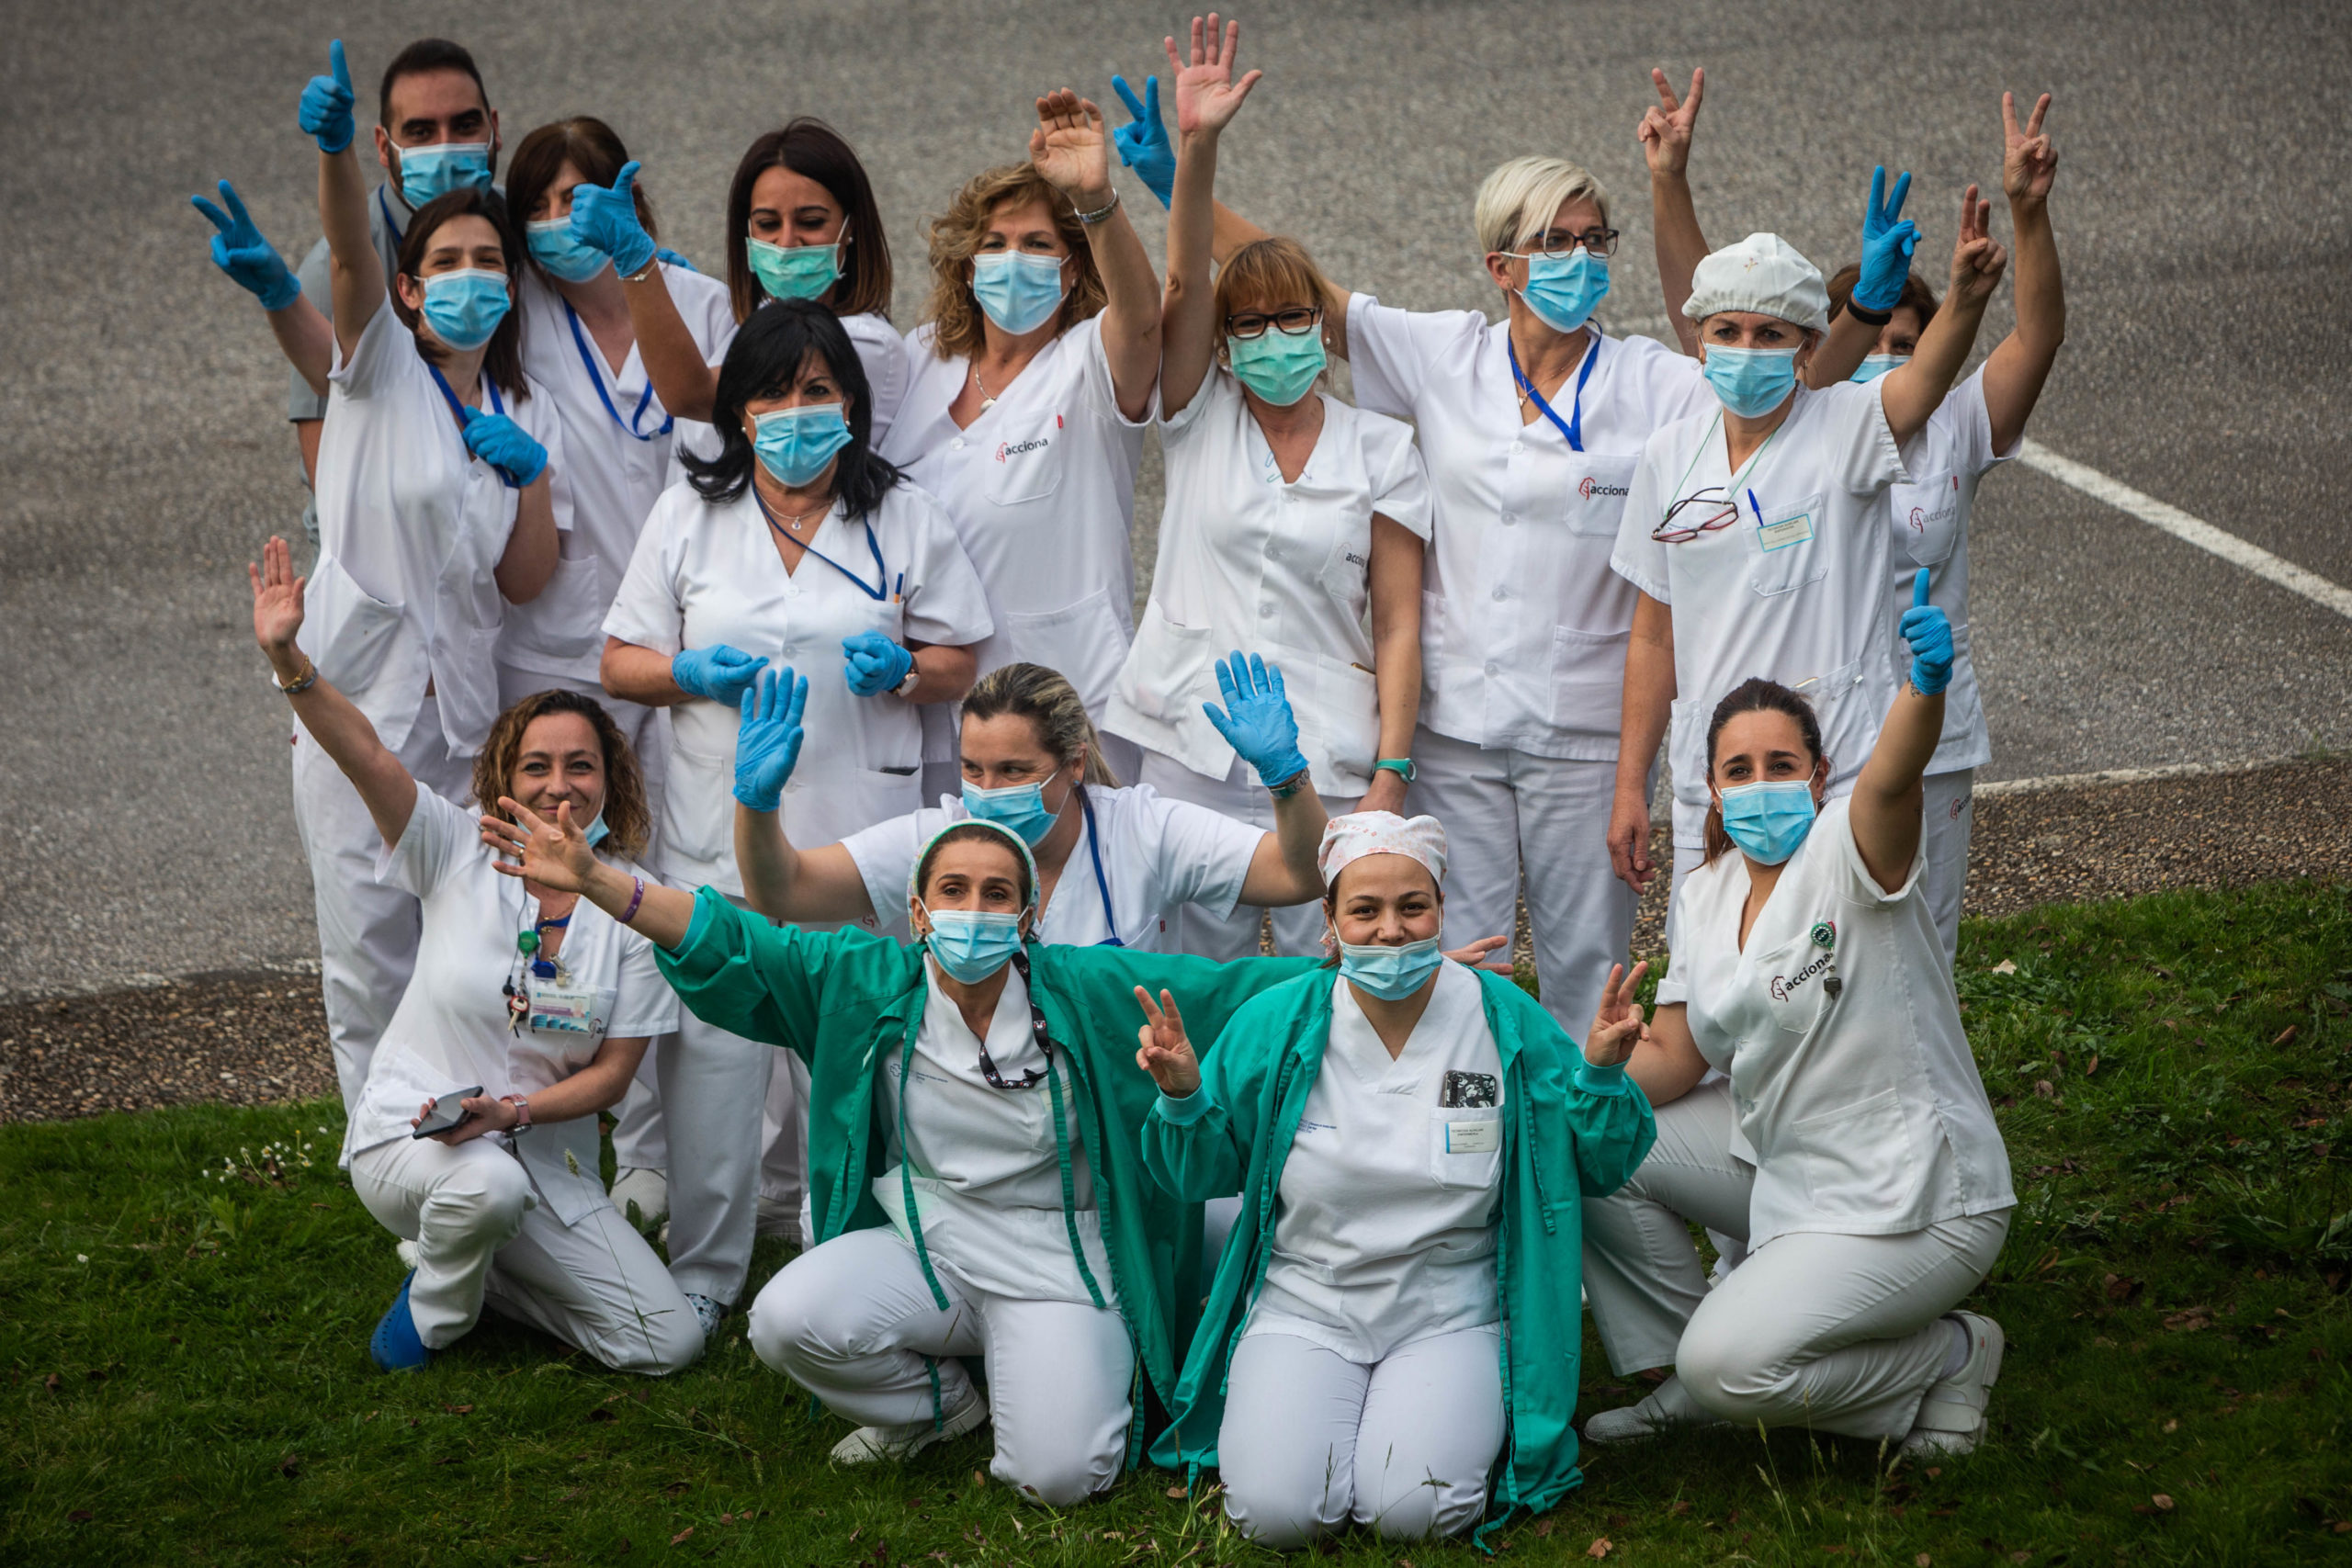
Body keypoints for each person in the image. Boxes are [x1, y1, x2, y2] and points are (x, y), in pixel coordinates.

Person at [486, 799, 1326, 1504]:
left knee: (1061, 1477)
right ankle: (938, 1405)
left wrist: (1375, 959)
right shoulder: (866, 981)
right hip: (933, 1242)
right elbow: (734, 941)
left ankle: (1045, 1367)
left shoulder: (1088, 987)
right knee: (785, 1318)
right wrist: (598, 878)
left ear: (1028, 917)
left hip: (1063, 1261)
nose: (973, 910)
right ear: (918, 913)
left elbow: (1241, 991)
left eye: (997, 894)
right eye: (952, 890)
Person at [1182, 64, 1716, 1032]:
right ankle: (1461, 1124)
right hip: (1453, 737)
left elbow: (1727, 346)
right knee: (1452, 966)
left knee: (1584, 969)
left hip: (1583, 738)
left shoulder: (1653, 384)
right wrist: (1181, 172)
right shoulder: (1445, 353)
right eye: (1553, 241)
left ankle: (1574, 1125)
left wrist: (1668, 185)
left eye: (1594, 240)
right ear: (1500, 265)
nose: (1580, 259)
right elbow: (1302, 296)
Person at [599, 299, 993, 1331]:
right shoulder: (687, 515)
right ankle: (705, 1271)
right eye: (774, 393)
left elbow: (961, 655)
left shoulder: (901, 514)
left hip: (856, 836)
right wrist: (687, 671)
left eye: (819, 391)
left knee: (851, 1061)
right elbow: (620, 660)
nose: (796, 413)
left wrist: (906, 670)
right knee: (715, 1065)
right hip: (716, 832)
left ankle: (849, 1264)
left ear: (853, 406)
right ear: (739, 409)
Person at [1135, 812, 1656, 1546]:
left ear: (1441, 905)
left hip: (1452, 1307)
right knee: (1277, 1514)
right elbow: (1201, 1174)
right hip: (1306, 1301)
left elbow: (1594, 1167)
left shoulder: (1503, 1019)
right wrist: (1185, 1099)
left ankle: (1434, 1417)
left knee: (1415, 1510)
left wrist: (1599, 1075)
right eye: (1364, 909)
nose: (1390, 929)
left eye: (1413, 906)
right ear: (1329, 917)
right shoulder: (1278, 1021)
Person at [1578, 584, 2015, 1454]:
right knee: (1595, 1140)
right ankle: (1691, 1372)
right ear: (1712, 789)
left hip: (1912, 1192)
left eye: (1782, 764)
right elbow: (1677, 1054)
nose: (1761, 784)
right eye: (1739, 770)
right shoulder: (1706, 892)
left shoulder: (1851, 847)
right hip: (1785, 1165)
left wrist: (1923, 689)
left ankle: (1951, 1352)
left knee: (1735, 1368)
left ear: (1818, 775)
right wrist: (1593, 1070)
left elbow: (1893, 774)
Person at [249, 537, 698, 1376]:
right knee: (486, 1188)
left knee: (666, 1342)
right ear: (504, 779)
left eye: (581, 766)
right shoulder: (454, 848)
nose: (559, 785)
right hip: (419, 1143)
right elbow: (365, 753)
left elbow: (613, 1076)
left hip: (547, 1167)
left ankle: (484, 1272)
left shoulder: (635, 904)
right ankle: (434, 1317)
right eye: (537, 766)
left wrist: (515, 1113)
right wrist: (289, 660)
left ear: (611, 780)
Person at [1645, 93, 2065, 958]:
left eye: (1905, 344)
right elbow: (1730, 323)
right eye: (1871, 340)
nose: (1885, 359)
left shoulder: (1904, 425)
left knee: (1887, 955)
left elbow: (2021, 343)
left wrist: (1994, 259)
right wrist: (1669, 183)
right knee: (1730, 963)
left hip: (1888, 728)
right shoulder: (1781, 427)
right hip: (1760, 745)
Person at [280, 39, 568, 1112]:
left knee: (472, 948)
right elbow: (347, 261)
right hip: (362, 711)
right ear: (409, 286)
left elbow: (526, 579)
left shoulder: (524, 405)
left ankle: (477, 1130)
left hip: (465, 726)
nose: (469, 279)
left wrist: (531, 480)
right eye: (445, 264)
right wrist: (333, 159)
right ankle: (388, 1163)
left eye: (488, 262)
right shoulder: (376, 367)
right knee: (369, 963)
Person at [1105, 17, 1432, 960]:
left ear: (1320, 329)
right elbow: (1184, 277)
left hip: (1329, 759)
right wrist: (1196, 150)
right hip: (1190, 751)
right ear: (1223, 343)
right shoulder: (1196, 414)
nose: (1272, 338)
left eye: (1292, 318)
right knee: (1182, 986)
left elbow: (1397, 623)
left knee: (1323, 985)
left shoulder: (1382, 447)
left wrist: (1391, 772)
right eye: (1248, 325)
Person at [1607, 202, 2009, 900]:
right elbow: (1652, 634)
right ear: (1698, 341)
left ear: (1807, 347)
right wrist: (1628, 786)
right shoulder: (1668, 455)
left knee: (1843, 951)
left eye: (1770, 334)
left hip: (1838, 768)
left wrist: (1966, 299)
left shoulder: (1846, 428)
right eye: (1727, 331)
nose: (1746, 349)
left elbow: (1922, 383)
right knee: (1713, 952)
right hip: (1717, 780)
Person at [881, 88, 1163, 797]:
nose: (1014, 259)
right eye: (995, 244)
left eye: (1038, 244)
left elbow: (1142, 319)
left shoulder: (1090, 363)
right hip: (929, 705)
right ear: (967, 265)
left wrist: (1096, 199)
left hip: (1066, 704)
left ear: (1073, 267)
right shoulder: (919, 357)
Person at [564, 118, 908, 457]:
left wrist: (638, 264)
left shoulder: (865, 342)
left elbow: (690, 396)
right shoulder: (756, 319)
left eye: (811, 222)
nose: (787, 242)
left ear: (851, 227)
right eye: (768, 224)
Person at [287, 38, 504, 545]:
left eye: (465, 126)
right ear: (384, 147)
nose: (446, 147)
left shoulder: (525, 227)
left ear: (495, 129)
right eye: (421, 132)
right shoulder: (331, 273)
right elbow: (329, 469)